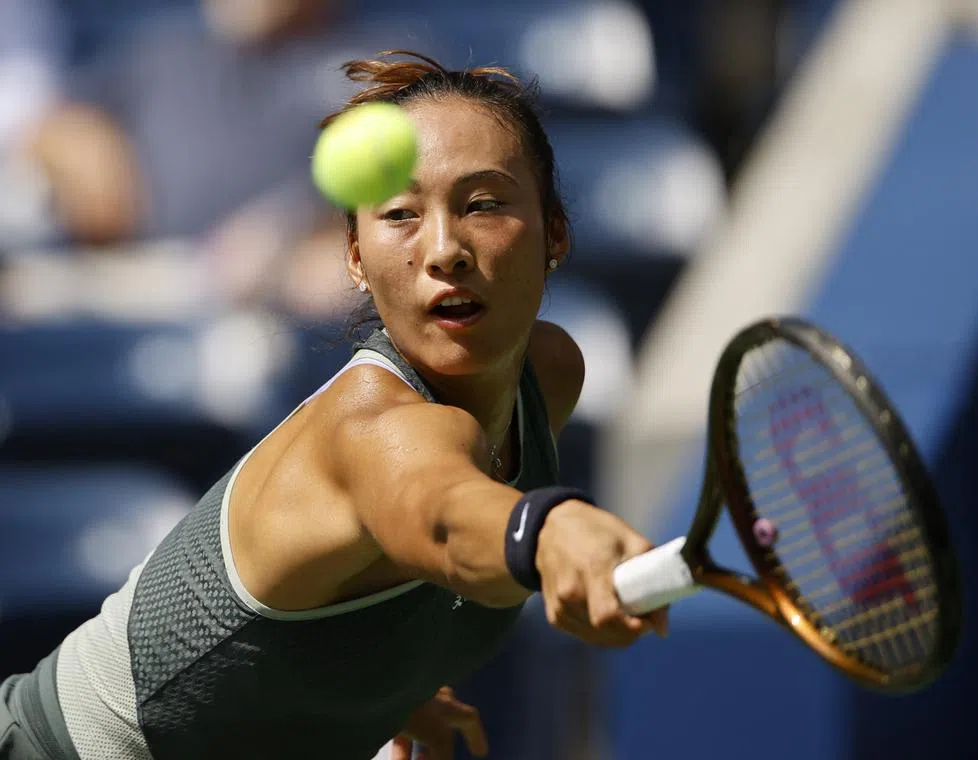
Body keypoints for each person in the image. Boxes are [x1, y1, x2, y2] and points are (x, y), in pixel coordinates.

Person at [0, 51, 667, 760]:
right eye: (401, 215)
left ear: (555, 232)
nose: (444, 248)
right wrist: (549, 531)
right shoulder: (368, 430)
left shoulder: (550, 371)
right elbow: (440, 512)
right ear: (356, 258)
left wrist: (366, 689)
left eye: (483, 203)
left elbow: (370, 580)